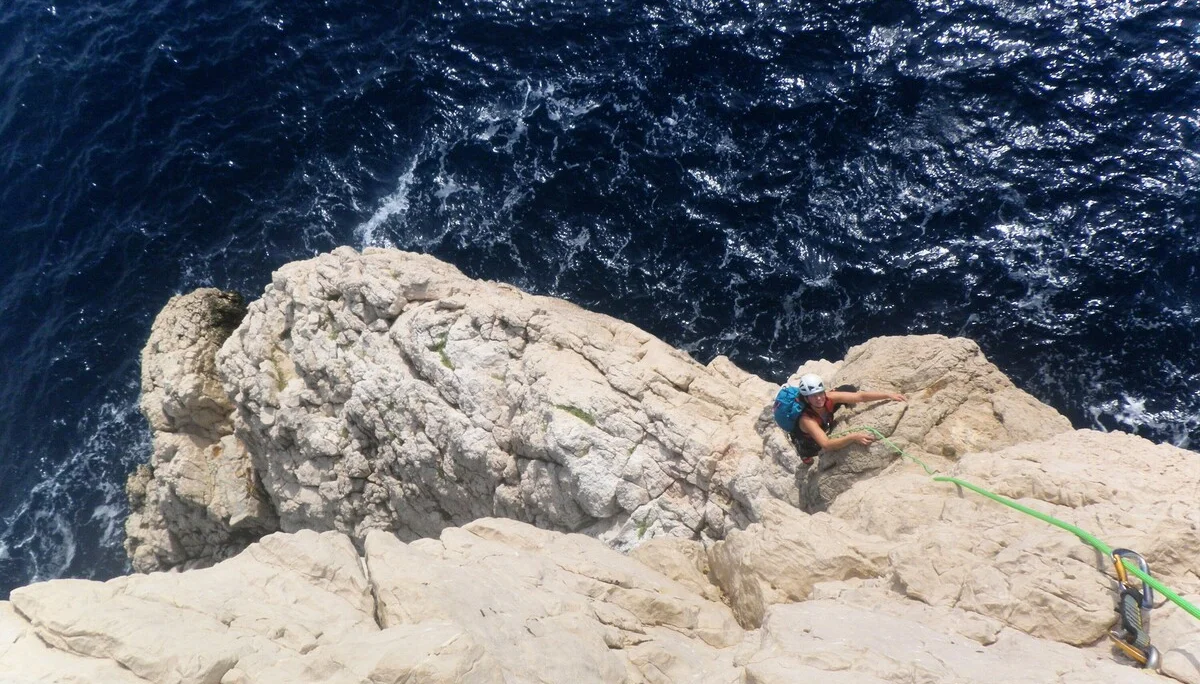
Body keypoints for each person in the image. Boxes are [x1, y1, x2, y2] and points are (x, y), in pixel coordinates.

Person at [780, 373, 907, 466]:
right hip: (806, 435)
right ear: (806, 399)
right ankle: (804, 456)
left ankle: (840, 401)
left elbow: (860, 397)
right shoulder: (806, 420)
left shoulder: (828, 397)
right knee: (810, 449)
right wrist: (853, 437)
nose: (818, 398)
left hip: (824, 415)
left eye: (820, 393)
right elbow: (826, 444)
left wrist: (888, 395)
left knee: (849, 389)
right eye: (813, 396)